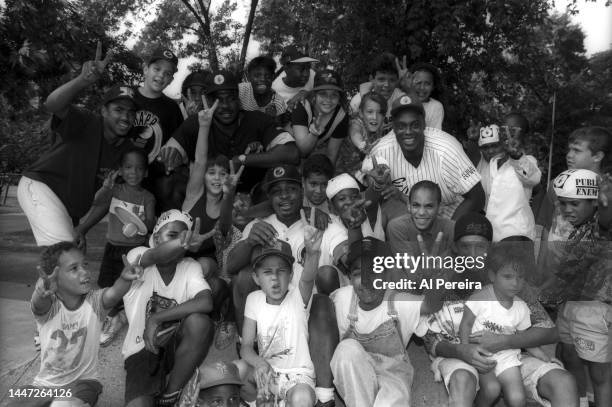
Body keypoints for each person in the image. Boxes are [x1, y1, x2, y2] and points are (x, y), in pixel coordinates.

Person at [422, 213, 578, 407]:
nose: (472, 255)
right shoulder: (441, 275)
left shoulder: (507, 277)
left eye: (480, 247)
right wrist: (462, 350)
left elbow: (549, 331)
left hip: (510, 358)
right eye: (465, 246)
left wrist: (505, 341)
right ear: (455, 247)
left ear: (491, 247)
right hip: (459, 357)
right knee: (463, 380)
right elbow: (430, 340)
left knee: (564, 382)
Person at [17, 42, 137, 248]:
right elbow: (52, 104)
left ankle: (45, 281)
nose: (126, 116)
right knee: (65, 257)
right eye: (119, 109)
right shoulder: (87, 121)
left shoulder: (126, 151)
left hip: (69, 211)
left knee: (70, 263)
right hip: (41, 188)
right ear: (104, 111)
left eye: (131, 112)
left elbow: (109, 198)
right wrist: (82, 80)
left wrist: (82, 228)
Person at [24, 241, 142, 407]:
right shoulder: (49, 306)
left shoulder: (95, 303)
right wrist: (41, 291)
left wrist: (124, 278)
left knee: (62, 405)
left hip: (83, 384)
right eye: (74, 268)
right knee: (14, 400)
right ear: (55, 278)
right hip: (44, 385)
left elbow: (114, 294)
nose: (85, 272)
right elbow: (38, 304)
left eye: (84, 265)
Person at [329, 237, 444, 407]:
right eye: (358, 274)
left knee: (391, 401)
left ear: (387, 274)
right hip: (356, 376)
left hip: (393, 375)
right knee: (346, 349)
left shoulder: (399, 302)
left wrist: (434, 276)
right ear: (350, 278)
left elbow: (431, 304)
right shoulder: (341, 298)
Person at [122, 210, 215, 407]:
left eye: (185, 237)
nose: (181, 242)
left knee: (200, 322)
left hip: (175, 348)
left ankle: (170, 395)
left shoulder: (190, 266)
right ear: (155, 238)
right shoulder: (137, 256)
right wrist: (181, 242)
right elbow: (154, 255)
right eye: (173, 235)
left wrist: (156, 319)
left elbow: (205, 302)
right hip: (142, 351)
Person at [159, 70, 300, 194]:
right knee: (168, 182)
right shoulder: (197, 122)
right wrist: (171, 157)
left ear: (238, 99)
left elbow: (292, 154)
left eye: (231, 99)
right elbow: (168, 154)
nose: (225, 106)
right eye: (218, 100)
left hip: (252, 195)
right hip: (210, 195)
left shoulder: (258, 120)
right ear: (207, 101)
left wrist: (241, 160)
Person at [539, 169, 612, 407]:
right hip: (568, 307)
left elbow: (606, 219)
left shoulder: (599, 228)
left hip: (594, 311)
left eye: (574, 204)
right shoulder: (576, 227)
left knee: (600, 374)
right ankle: (579, 402)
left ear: (594, 203)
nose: (567, 209)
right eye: (563, 203)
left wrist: (605, 203)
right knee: (570, 358)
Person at [75, 147, 156, 346]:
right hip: (112, 247)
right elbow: (97, 201)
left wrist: (146, 221)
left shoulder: (148, 197)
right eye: (128, 167)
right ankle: (110, 315)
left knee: (130, 286)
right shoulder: (115, 190)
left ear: (145, 172)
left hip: (134, 250)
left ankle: (119, 316)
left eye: (139, 169)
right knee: (105, 283)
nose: (133, 173)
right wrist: (105, 188)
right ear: (120, 169)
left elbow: (152, 225)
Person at [240, 218, 322, 406]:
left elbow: (308, 278)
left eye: (281, 271)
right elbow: (245, 346)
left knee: (302, 398)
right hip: (266, 372)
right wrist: (259, 363)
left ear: (291, 275)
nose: (275, 279)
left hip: (298, 377)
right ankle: (265, 401)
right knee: (236, 370)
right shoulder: (253, 300)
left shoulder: (298, 296)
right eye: (267, 272)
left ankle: (282, 401)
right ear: (256, 277)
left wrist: (313, 253)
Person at [459, 247, 551, 407]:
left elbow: (525, 339)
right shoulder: (479, 298)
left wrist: (545, 358)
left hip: (507, 357)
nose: (515, 283)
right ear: (492, 276)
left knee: (517, 398)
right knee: (491, 389)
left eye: (520, 278)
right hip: (481, 354)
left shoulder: (521, 307)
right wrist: (465, 350)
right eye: (508, 276)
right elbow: (465, 324)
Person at [369, 96, 485, 219]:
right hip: (409, 213)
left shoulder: (447, 148)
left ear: (424, 124)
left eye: (414, 125)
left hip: (450, 210)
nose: (408, 132)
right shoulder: (380, 152)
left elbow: (477, 198)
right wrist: (376, 184)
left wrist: (450, 232)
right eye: (401, 126)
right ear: (394, 127)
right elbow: (371, 201)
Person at [181, 97, 242, 320]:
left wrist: (230, 194)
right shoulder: (194, 195)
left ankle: (195, 313)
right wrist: (204, 126)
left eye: (223, 173)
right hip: (179, 254)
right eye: (212, 173)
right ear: (203, 177)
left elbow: (226, 226)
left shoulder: (230, 206)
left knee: (204, 267)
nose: (217, 178)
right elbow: (199, 160)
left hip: (207, 263)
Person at [130, 46, 185, 213]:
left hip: (155, 181)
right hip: (122, 176)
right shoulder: (127, 96)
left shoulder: (171, 108)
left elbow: (179, 144)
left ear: (171, 80)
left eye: (167, 73)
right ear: (146, 69)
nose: (161, 75)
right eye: (157, 68)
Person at [477, 124, 541, 241]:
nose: (490, 151)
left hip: (518, 236)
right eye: (486, 147)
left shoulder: (528, 161)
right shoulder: (490, 164)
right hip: (492, 235)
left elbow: (535, 178)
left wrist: (516, 156)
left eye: (494, 146)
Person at [292, 69, 349, 165]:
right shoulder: (301, 107)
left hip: (313, 150)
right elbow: (303, 151)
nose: (328, 99)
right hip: (289, 147)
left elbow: (332, 155)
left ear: (339, 98)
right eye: (323, 94)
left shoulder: (341, 116)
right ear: (314, 95)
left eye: (334, 95)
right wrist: (314, 133)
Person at [387, 180, 455, 260]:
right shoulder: (397, 227)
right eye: (416, 205)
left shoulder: (451, 228)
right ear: (409, 206)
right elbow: (408, 267)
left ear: (440, 208)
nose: (421, 212)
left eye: (429, 206)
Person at [349, 52, 407, 134]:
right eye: (381, 79)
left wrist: (408, 86)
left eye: (392, 80)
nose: (387, 85)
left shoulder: (402, 99)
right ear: (372, 79)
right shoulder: (357, 102)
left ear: (397, 81)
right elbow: (353, 133)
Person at [336, 92, 387, 178]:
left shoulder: (380, 128)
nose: (375, 117)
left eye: (380, 112)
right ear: (361, 113)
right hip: (344, 178)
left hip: (363, 175)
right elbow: (355, 133)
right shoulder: (357, 123)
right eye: (370, 112)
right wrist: (361, 144)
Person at [239, 56, 288, 120]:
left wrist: (272, 119)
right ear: (249, 77)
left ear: (273, 77)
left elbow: (277, 128)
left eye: (267, 76)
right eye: (257, 75)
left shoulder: (278, 103)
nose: (263, 79)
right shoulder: (240, 91)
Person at [403, 62, 444, 130]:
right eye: (418, 83)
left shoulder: (436, 106)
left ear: (433, 86)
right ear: (410, 83)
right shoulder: (403, 100)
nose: (422, 87)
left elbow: (434, 135)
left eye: (427, 84)